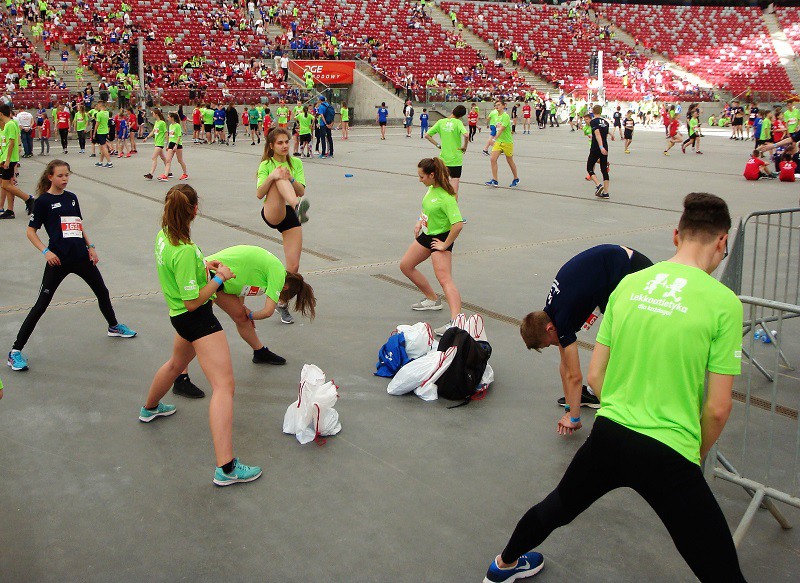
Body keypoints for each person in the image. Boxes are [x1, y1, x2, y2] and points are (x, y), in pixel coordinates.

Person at [483, 192, 746, 583]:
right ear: (722, 241)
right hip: (670, 451)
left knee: (557, 506)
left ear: (676, 235)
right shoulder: (724, 303)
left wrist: (621, 406)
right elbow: (718, 408)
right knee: (719, 568)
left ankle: (501, 566)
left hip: (610, 436)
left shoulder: (627, 287)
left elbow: (594, 378)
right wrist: (693, 456)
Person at [141, 184, 262, 487]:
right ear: (194, 210)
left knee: (174, 365)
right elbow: (193, 301)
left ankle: (150, 408)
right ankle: (226, 468)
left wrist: (203, 266)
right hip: (196, 319)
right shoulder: (182, 250)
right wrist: (220, 278)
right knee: (224, 387)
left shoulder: (166, 237)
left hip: (180, 320)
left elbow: (182, 268)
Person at [7, 160, 137, 372]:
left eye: (67, 175)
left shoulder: (72, 199)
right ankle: (15, 351)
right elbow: (31, 232)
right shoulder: (42, 202)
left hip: (80, 257)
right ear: (50, 177)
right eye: (60, 176)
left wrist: (91, 246)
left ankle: (113, 326)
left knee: (102, 292)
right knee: (40, 305)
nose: (64, 179)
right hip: (58, 261)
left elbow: (78, 225)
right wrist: (46, 252)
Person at [520, 244, 653, 429]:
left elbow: (575, 376)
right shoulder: (550, 311)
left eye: (549, 343)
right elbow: (565, 365)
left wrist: (574, 419)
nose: (554, 345)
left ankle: (630, 398)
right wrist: (569, 406)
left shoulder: (562, 318)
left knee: (623, 337)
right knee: (613, 333)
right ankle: (600, 391)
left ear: (550, 329)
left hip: (633, 269)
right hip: (611, 275)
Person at [171, 244, 317, 398]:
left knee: (241, 316)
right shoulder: (278, 274)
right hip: (211, 276)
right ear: (285, 287)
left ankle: (259, 352)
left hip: (223, 279)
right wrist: (252, 315)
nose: (279, 301)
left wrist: (243, 309)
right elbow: (268, 312)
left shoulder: (272, 272)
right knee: (193, 325)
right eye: (282, 298)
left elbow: (242, 284)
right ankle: (180, 377)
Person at [400, 158, 464, 336]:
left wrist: (445, 244)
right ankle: (432, 299)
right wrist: (420, 221)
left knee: (445, 279)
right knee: (406, 265)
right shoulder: (431, 189)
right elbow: (426, 209)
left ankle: (457, 322)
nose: (420, 180)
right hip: (427, 234)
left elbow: (458, 224)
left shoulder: (446, 197)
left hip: (440, 238)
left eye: (422, 176)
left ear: (432, 175)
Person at [256, 128, 310, 324]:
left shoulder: (296, 162)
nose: (285, 145)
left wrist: (291, 177)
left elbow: (302, 189)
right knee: (278, 176)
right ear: (271, 146)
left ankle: (281, 303)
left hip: (290, 216)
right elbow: (259, 193)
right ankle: (297, 206)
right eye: (280, 143)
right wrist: (273, 176)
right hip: (273, 210)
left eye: (287, 141)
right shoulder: (266, 164)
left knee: (294, 267)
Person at [0, 104, 35, 219]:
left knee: (5, 185)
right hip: (7, 158)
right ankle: (10, 210)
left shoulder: (9, 124)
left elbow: (11, 142)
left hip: (9, 159)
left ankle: (28, 199)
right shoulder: (9, 124)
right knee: (8, 184)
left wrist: (8, 159)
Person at [425, 105, 468, 195]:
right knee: (454, 186)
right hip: (456, 159)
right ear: (461, 116)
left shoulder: (441, 122)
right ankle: (452, 206)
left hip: (443, 159)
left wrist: (438, 145)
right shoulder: (458, 122)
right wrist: (464, 146)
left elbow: (427, 135)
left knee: (441, 184)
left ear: (453, 110)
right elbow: (466, 135)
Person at [485, 101, 519, 188]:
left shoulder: (505, 116)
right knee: (493, 159)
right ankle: (495, 180)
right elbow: (495, 126)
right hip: (499, 142)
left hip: (507, 142)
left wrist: (493, 138)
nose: (497, 106)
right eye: (496, 105)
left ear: (504, 106)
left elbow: (502, 129)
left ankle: (516, 178)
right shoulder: (495, 115)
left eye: (499, 105)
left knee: (509, 160)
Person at [586, 104, 612, 199]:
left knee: (589, 167)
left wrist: (600, 146)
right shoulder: (606, 122)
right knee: (604, 170)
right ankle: (606, 192)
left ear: (593, 111)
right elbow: (604, 134)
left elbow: (597, 134)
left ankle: (598, 185)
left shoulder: (593, 122)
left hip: (596, 147)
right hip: (605, 147)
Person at [159, 112, 189, 182]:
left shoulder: (177, 126)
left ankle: (185, 174)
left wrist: (176, 145)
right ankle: (165, 175)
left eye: (169, 117)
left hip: (177, 144)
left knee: (180, 160)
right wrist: (168, 145)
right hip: (171, 143)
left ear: (172, 118)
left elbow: (179, 136)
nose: (167, 118)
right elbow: (170, 136)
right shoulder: (170, 126)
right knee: (168, 160)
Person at [143, 108, 167, 180]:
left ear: (156, 114)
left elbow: (166, 133)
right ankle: (168, 171)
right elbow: (153, 131)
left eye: (153, 113)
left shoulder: (162, 123)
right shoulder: (156, 122)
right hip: (156, 142)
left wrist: (168, 143)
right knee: (163, 158)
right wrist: (147, 138)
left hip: (160, 142)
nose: (152, 115)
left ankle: (151, 173)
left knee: (154, 157)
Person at [92, 101, 113, 168]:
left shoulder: (99, 114)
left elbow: (97, 124)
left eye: (98, 105)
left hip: (101, 131)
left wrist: (94, 133)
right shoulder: (107, 113)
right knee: (102, 147)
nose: (97, 107)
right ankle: (100, 162)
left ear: (100, 106)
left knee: (103, 147)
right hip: (105, 130)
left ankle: (109, 162)